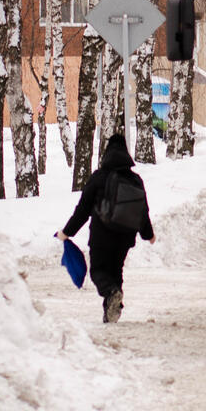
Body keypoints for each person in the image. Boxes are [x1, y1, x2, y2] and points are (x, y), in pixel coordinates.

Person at [57, 132, 154, 323]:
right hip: (125, 236)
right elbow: (143, 209)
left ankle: (112, 294)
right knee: (115, 271)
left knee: (98, 272)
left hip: (103, 234)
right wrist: (148, 234)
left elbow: (83, 209)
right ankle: (111, 310)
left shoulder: (99, 177)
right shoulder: (135, 180)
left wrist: (67, 232)